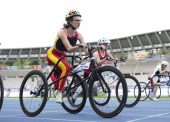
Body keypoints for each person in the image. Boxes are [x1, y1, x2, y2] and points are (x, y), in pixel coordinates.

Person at [46, 10, 87, 103]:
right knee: (67, 68)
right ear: (69, 21)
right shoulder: (62, 31)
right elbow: (69, 48)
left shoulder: (79, 35)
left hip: (62, 55)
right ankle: (59, 93)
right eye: (76, 20)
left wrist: (96, 49)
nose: (79, 22)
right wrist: (79, 46)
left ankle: (56, 87)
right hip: (52, 53)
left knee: (66, 70)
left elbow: (86, 52)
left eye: (80, 20)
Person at [71, 38, 114, 102]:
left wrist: (117, 59)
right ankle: (74, 97)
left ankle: (103, 89)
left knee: (101, 81)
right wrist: (106, 59)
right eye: (106, 44)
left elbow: (112, 59)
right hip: (89, 70)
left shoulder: (107, 52)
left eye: (107, 44)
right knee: (84, 84)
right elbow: (98, 62)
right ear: (101, 44)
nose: (107, 45)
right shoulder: (96, 53)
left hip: (96, 70)